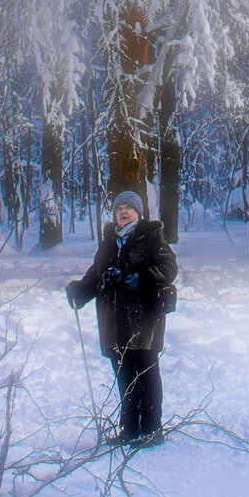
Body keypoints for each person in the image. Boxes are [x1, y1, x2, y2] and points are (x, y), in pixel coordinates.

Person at [64, 189, 178, 443]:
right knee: (125, 377)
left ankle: (151, 431)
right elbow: (95, 275)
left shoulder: (151, 235)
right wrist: (80, 291)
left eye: (129, 207)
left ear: (138, 213)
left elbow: (169, 266)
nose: (123, 211)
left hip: (143, 322)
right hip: (114, 324)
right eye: (119, 208)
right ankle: (129, 431)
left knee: (146, 376)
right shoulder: (109, 242)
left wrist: (142, 277)